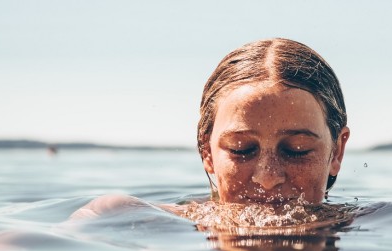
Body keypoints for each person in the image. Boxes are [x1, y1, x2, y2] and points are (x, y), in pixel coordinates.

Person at [71, 38, 351, 220]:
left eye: (296, 150)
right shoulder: (126, 216)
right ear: (207, 152)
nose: (268, 177)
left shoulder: (376, 224)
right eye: (242, 149)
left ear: (336, 152)